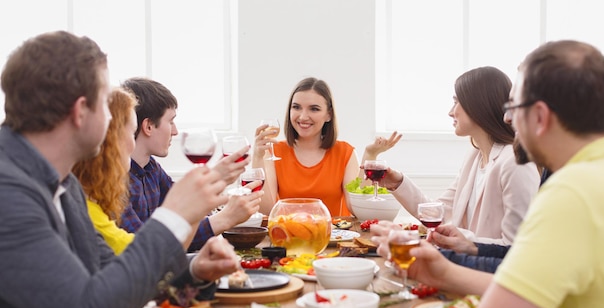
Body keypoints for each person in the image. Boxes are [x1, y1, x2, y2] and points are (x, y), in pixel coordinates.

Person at [374, 40, 604, 308]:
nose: (507, 120)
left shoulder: (571, 193)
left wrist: (448, 268)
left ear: (539, 116)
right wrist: (443, 271)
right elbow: (543, 291)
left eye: (514, 108)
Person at [0, 31, 242, 308]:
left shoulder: (63, 183)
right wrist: (172, 218)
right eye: (106, 106)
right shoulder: (9, 194)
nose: (114, 121)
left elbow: (113, 276)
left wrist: (193, 274)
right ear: (81, 111)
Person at [366, 66, 541, 246]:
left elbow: (518, 246)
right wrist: (397, 182)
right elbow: (437, 212)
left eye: (456, 102)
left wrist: (461, 240)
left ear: (478, 105)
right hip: (465, 264)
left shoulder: (515, 163)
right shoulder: (475, 157)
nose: (451, 112)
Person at [120, 77, 262, 252]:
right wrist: (225, 218)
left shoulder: (152, 169)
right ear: (148, 126)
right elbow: (145, 252)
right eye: (171, 121)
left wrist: (218, 180)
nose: (175, 131)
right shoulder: (114, 182)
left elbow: (187, 214)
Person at [252, 77, 360, 216]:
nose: (303, 117)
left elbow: (356, 209)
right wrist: (257, 157)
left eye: (314, 109)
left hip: (333, 236)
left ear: (329, 115)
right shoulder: (274, 151)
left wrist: (371, 155)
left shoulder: (345, 153)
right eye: (296, 107)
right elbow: (266, 209)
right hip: (288, 234)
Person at [72, 87, 138, 254]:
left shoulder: (87, 199)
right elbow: (147, 257)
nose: (133, 144)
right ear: (111, 140)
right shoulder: (83, 210)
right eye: (132, 132)